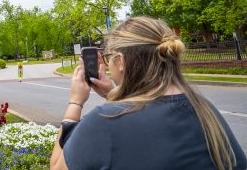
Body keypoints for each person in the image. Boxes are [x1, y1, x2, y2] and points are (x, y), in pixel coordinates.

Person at [50, 16, 246, 170]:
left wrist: (75, 103)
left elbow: (57, 167)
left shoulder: (105, 121)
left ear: (121, 61)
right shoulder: (204, 109)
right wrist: (112, 91)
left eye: (108, 57)